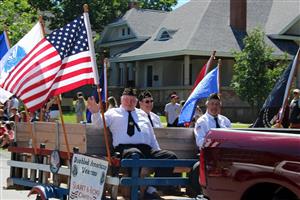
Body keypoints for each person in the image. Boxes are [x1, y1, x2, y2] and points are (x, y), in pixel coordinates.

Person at [87, 87, 178, 199]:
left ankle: (152, 189)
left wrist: (157, 151)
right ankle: (137, 190)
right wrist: (96, 112)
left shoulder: (143, 114)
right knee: (135, 154)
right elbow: (99, 124)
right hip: (125, 149)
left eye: (132, 100)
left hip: (146, 149)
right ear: (121, 100)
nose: (130, 103)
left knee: (170, 157)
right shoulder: (113, 113)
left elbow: (151, 136)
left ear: (136, 102)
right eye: (126, 100)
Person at [191, 93, 231, 193]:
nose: (214, 107)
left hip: (226, 155)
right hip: (208, 155)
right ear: (207, 105)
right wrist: (216, 145)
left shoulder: (225, 121)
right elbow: (200, 142)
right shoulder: (202, 122)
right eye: (212, 104)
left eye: (217, 104)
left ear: (220, 106)